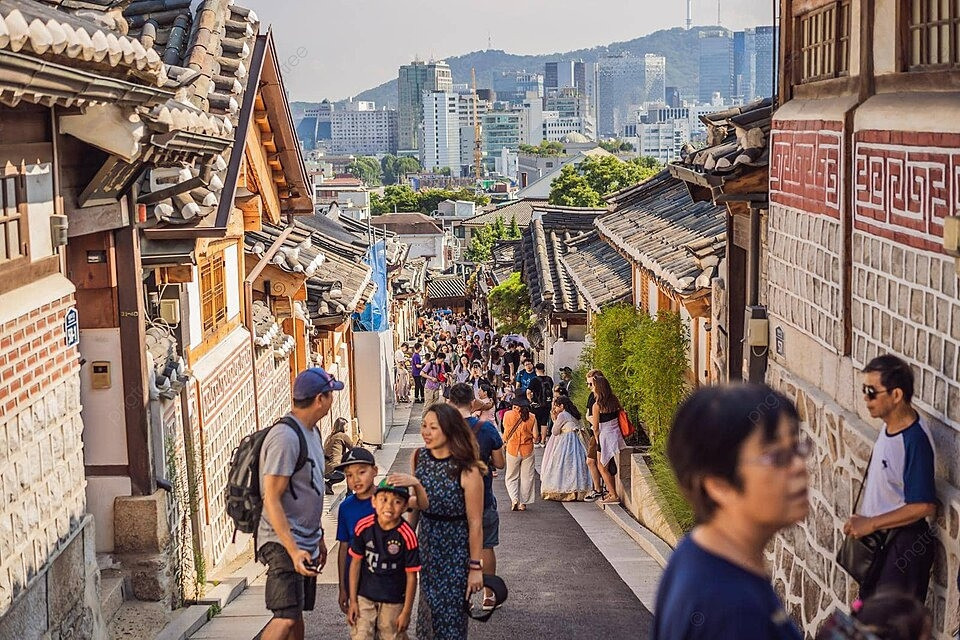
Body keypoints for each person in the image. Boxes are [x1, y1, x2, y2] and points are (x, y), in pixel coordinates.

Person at [652, 384, 808, 640]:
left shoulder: (696, 552)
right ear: (718, 485)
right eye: (777, 456)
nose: (799, 466)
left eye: (797, 448)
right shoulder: (730, 609)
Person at [843, 354, 937, 601]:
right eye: (864, 390)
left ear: (896, 396)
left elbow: (923, 506)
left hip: (902, 547)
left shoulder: (914, 440)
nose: (865, 398)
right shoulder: (889, 427)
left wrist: (871, 523)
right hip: (882, 542)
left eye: (872, 392)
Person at [259, 367, 343, 640]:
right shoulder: (285, 437)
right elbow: (271, 497)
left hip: (304, 541)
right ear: (321, 399)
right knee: (284, 617)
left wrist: (317, 537)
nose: (332, 401)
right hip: (283, 542)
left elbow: (311, 490)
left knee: (295, 617)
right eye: (331, 395)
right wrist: (293, 550)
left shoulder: (314, 432)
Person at [388, 403, 485, 640]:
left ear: (450, 431)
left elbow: (475, 523)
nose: (426, 432)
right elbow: (419, 508)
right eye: (424, 426)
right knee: (427, 611)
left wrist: (475, 567)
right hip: (428, 544)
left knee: (451, 617)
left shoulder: (467, 470)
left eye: (433, 427)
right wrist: (404, 539)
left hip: (456, 550)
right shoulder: (419, 456)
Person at [448, 383, 505, 611]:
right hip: (483, 496)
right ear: (473, 402)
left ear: (451, 403)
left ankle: (465, 597)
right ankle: (489, 596)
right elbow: (500, 462)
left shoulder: (445, 428)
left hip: (453, 499)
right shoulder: (487, 428)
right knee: (486, 546)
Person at [347, 480, 421, 640]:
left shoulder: (407, 536)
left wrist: (406, 612)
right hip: (365, 596)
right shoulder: (363, 527)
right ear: (374, 501)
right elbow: (355, 564)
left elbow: (411, 576)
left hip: (393, 599)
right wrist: (353, 600)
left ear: (405, 506)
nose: (389, 506)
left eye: (397, 502)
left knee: (391, 634)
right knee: (361, 635)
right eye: (384, 499)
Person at [335, 448, 378, 617]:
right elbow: (344, 547)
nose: (355, 479)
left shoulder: (386, 501)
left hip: (386, 579)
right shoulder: (346, 507)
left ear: (374, 471)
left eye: (361, 472)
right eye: (349, 475)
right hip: (357, 581)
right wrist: (342, 587)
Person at [541, 396, 592, 502]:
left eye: (556, 406)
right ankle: (579, 490)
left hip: (565, 441)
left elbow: (555, 431)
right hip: (576, 441)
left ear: (562, 406)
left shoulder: (563, 415)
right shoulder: (574, 415)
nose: (555, 409)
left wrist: (554, 419)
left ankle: (565, 490)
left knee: (563, 464)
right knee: (576, 464)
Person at [590, 374, 626, 505]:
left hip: (604, 435)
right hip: (615, 433)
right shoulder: (614, 400)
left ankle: (613, 494)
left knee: (602, 466)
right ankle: (612, 492)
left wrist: (597, 439)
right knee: (607, 465)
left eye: (593, 385)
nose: (592, 388)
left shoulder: (597, 405)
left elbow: (595, 426)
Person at [503, 397, 537, 511]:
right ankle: (523, 503)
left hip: (512, 449)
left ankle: (514, 499)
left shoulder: (508, 415)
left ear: (516, 406)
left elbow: (506, 431)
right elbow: (536, 437)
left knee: (511, 477)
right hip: (527, 450)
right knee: (527, 477)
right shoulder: (532, 417)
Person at [583, 370, 604, 501]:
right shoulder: (592, 397)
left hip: (598, 432)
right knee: (594, 462)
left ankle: (598, 489)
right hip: (594, 431)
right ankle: (598, 488)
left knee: (592, 461)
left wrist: (591, 419)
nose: (589, 387)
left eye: (591, 384)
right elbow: (587, 414)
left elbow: (594, 418)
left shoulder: (602, 398)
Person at [323, 417, 353, 494]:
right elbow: (353, 448)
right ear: (342, 426)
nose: (347, 429)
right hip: (334, 469)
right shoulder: (342, 436)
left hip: (324, 470)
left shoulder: (329, 437)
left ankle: (328, 484)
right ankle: (350, 494)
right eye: (346, 427)